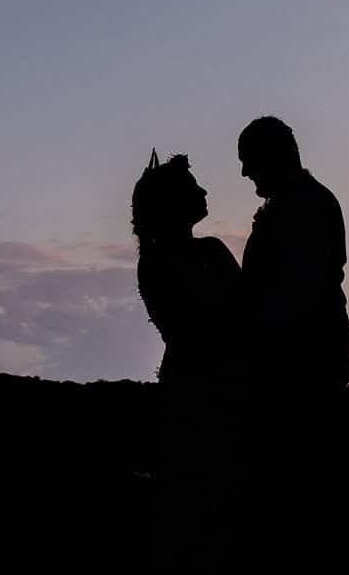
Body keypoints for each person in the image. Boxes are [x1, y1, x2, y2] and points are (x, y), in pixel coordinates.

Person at [236, 116, 349, 567]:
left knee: (305, 483)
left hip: (305, 359)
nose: (245, 173)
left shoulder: (307, 204)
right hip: (296, 356)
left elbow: (300, 290)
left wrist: (249, 335)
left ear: (274, 153)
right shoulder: (296, 202)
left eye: (249, 161)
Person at [132, 150, 249, 572]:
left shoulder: (162, 261)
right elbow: (230, 319)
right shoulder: (174, 261)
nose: (203, 191)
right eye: (192, 187)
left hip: (203, 389)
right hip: (208, 394)